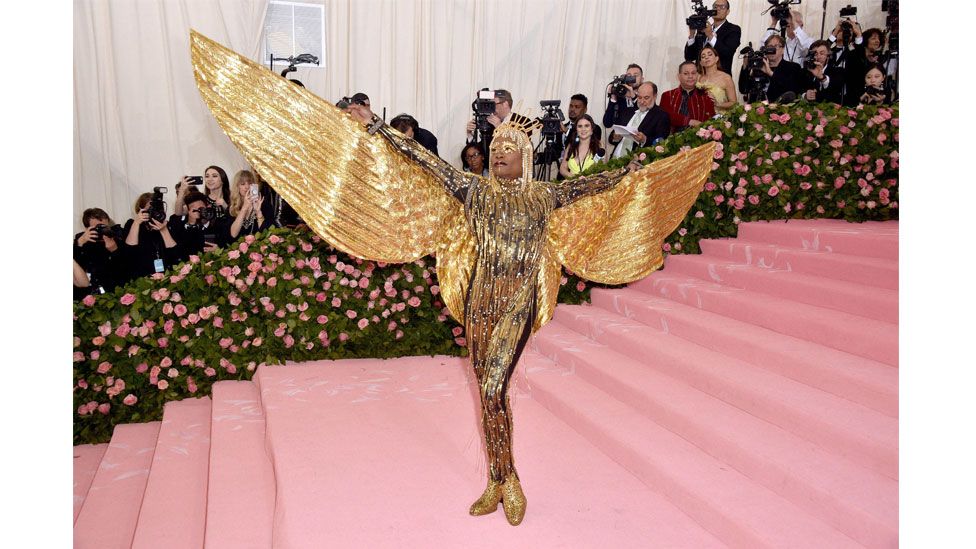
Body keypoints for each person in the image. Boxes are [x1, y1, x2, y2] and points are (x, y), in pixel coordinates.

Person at [191, 29, 717, 528]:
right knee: (489, 395)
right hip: (478, 299)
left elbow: (594, 186)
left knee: (491, 387)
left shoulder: (542, 196)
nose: (499, 154)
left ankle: (509, 481)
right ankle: (498, 477)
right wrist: (380, 131)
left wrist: (631, 173)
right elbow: (428, 163)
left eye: (509, 149)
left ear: (525, 157)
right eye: (495, 149)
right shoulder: (474, 191)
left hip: (517, 300)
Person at [122, 192, 179, 279]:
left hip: (165, 276)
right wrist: (137, 223)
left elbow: (174, 253)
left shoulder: (166, 225)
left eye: (157, 209)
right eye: (150, 209)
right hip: (142, 276)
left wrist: (163, 230)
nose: (154, 212)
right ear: (141, 210)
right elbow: (130, 249)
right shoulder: (132, 224)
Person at [738, 34, 806, 103]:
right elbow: (743, 89)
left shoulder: (793, 67)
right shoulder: (759, 67)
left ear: (783, 49)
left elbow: (792, 90)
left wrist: (770, 73)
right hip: (756, 110)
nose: (772, 49)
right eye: (769, 46)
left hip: (780, 110)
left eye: (776, 46)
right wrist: (745, 66)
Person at [73, 208, 126, 295]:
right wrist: (79, 243)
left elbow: (125, 269)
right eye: (98, 227)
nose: (102, 230)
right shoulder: (82, 242)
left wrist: (114, 251)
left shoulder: (117, 238)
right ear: (87, 228)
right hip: (89, 292)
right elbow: (75, 268)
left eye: (104, 226)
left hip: (114, 291)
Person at [611, 82, 670, 158]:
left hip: (636, 162)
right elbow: (611, 137)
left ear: (655, 96)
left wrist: (644, 140)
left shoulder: (661, 116)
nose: (642, 102)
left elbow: (662, 143)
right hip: (614, 159)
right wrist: (615, 137)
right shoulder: (629, 111)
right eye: (639, 97)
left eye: (646, 98)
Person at [465, 89, 533, 154]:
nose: (491, 108)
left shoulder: (523, 121)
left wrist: (500, 127)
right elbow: (481, 150)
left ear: (505, 104)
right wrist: (469, 134)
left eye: (493, 104)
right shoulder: (489, 122)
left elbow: (521, 147)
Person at [684, 0, 741, 76]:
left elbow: (728, 53)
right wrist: (691, 36)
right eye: (715, 7)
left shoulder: (733, 29)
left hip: (720, 79)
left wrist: (710, 36)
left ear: (728, 11)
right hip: (700, 78)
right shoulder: (703, 29)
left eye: (722, 7)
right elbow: (689, 57)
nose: (718, 9)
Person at [167, 190, 221, 262]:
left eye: (201, 209)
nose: (199, 212)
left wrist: (219, 250)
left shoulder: (218, 225)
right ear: (188, 211)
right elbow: (180, 253)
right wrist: (192, 223)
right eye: (194, 210)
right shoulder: (178, 226)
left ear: (208, 207)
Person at [662, 62, 716, 133]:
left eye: (693, 73)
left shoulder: (705, 96)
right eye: (686, 73)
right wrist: (690, 121)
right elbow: (666, 116)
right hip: (671, 139)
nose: (690, 76)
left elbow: (711, 121)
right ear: (679, 76)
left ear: (697, 75)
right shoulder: (668, 95)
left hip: (699, 140)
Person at [603, 64, 644, 148]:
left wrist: (634, 98)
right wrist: (613, 99)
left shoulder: (646, 100)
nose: (632, 78)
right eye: (629, 76)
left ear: (642, 79)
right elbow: (607, 123)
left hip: (637, 149)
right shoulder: (620, 98)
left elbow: (642, 117)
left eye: (635, 75)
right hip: (619, 150)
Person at [227, 169, 272, 241]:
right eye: (243, 184)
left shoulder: (264, 204)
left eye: (250, 183)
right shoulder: (233, 207)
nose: (247, 187)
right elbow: (233, 234)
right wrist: (244, 208)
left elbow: (266, 234)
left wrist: (258, 212)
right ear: (237, 186)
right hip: (238, 249)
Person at [697, 44, 738, 113]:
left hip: (719, 119)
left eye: (710, 54)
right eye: (703, 56)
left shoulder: (726, 77)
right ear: (701, 63)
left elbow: (733, 103)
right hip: (700, 117)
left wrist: (718, 104)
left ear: (716, 59)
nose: (706, 57)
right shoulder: (698, 78)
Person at [803, 40, 844, 104]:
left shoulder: (837, 71)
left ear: (828, 56)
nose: (818, 57)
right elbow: (798, 90)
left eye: (822, 53)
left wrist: (822, 77)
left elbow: (834, 92)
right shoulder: (805, 71)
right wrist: (805, 95)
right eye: (815, 54)